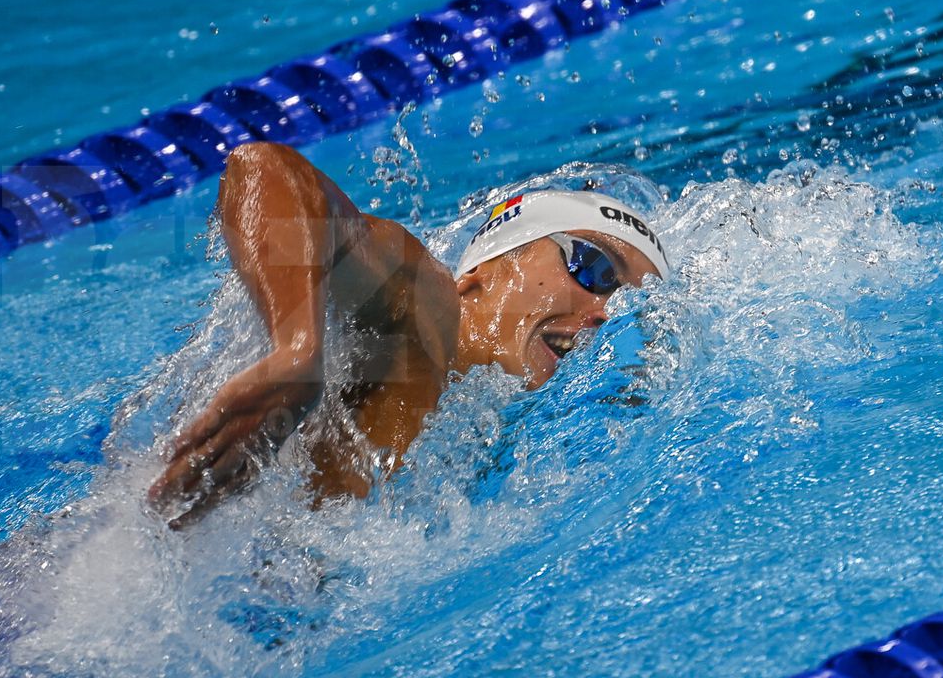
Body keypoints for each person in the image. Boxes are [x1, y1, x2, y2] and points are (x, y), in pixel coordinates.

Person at [147, 141, 669, 526]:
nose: (605, 313)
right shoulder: (425, 308)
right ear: (481, 274)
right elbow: (263, 169)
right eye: (594, 269)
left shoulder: (495, 441)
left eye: (628, 304)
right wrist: (297, 351)